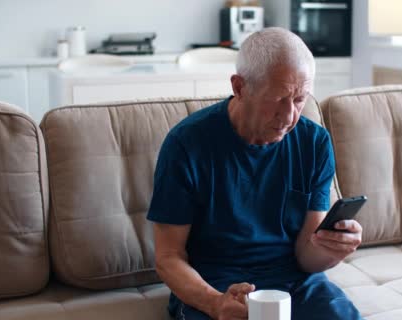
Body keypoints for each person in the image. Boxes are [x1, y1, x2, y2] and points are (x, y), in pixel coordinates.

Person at [147, 27, 363, 320]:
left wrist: (331, 249)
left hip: (293, 281)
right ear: (239, 87)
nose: (289, 117)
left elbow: (306, 256)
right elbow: (168, 257)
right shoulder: (186, 144)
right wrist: (214, 302)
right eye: (277, 99)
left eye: (300, 99)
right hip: (212, 283)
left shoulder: (314, 143)